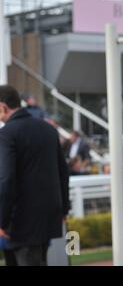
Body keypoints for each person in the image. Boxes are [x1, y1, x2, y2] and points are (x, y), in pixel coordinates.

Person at [0, 85, 70, 266]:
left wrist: (1, 220)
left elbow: (6, 179)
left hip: (21, 222)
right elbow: (63, 172)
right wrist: (64, 209)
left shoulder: (6, 134)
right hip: (48, 218)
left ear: (2, 107)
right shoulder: (48, 130)